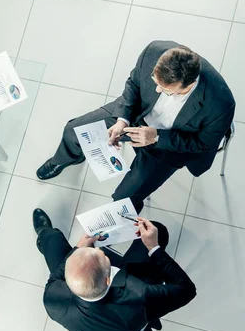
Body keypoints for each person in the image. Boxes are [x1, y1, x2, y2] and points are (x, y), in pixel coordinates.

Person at [36, 41, 235, 213]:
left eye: (165, 90)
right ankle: (66, 159)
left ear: (188, 86)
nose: (158, 89)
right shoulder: (154, 51)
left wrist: (157, 137)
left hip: (170, 142)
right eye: (156, 83)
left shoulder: (220, 103)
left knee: (125, 197)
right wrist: (122, 120)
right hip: (136, 115)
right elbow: (133, 84)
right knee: (74, 130)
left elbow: (203, 145)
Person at [32, 208, 196, 331]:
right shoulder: (141, 296)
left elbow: (56, 276)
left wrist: (77, 248)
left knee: (52, 238)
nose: (97, 249)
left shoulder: (52, 298)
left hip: (91, 330)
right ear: (109, 278)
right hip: (125, 317)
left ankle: (43, 236)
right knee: (158, 230)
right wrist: (153, 248)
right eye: (102, 255)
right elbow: (187, 289)